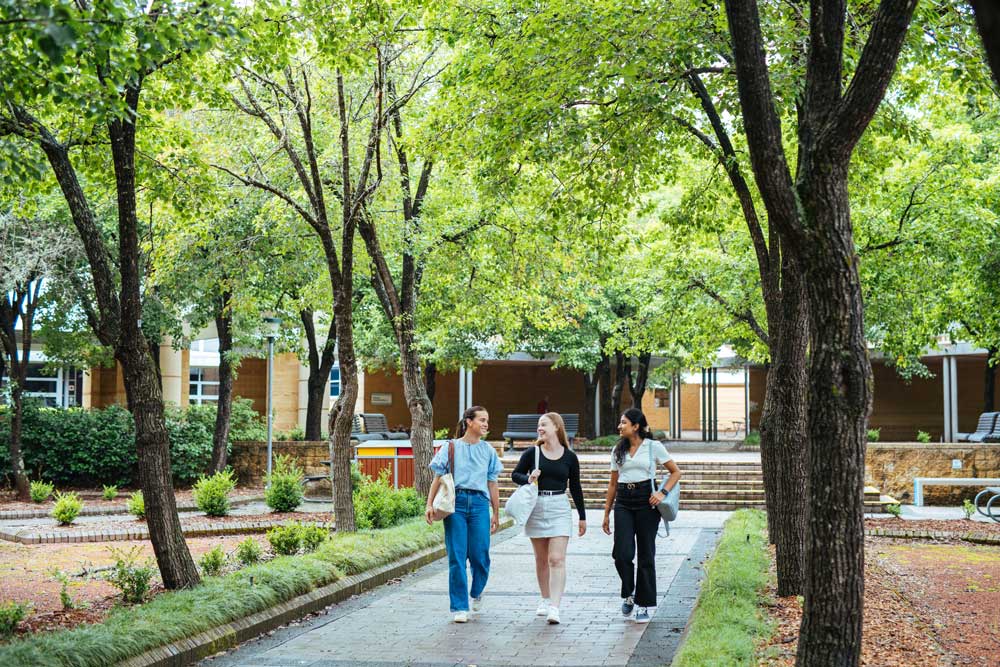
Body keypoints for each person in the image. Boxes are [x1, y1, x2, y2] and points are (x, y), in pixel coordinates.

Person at [601, 408, 681, 623]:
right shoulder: (617, 450)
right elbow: (612, 483)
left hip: (647, 501)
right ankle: (629, 593)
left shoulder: (653, 447)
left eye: (623, 423)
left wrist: (661, 493)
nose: (619, 426)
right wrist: (607, 512)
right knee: (622, 554)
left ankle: (644, 604)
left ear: (635, 426)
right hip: (624, 502)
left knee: (646, 554)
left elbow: (676, 472)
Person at [425, 405, 502, 623]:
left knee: (480, 555)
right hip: (455, 504)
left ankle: (477, 591)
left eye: (487, 420)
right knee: (457, 557)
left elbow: (492, 483)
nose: (486, 424)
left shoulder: (488, 451)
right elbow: (438, 478)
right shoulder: (450, 447)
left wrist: (496, 513)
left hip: (479, 504)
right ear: (469, 421)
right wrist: (429, 504)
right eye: (482, 420)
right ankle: (460, 606)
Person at [511, 412, 586, 624]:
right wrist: (528, 478)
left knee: (556, 558)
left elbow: (576, 487)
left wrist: (582, 516)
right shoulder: (532, 453)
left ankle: (555, 606)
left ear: (556, 427)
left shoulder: (570, 457)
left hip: (559, 507)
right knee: (541, 559)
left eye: (543, 424)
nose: (539, 428)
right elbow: (515, 475)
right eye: (538, 425)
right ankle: (544, 599)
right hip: (536, 506)